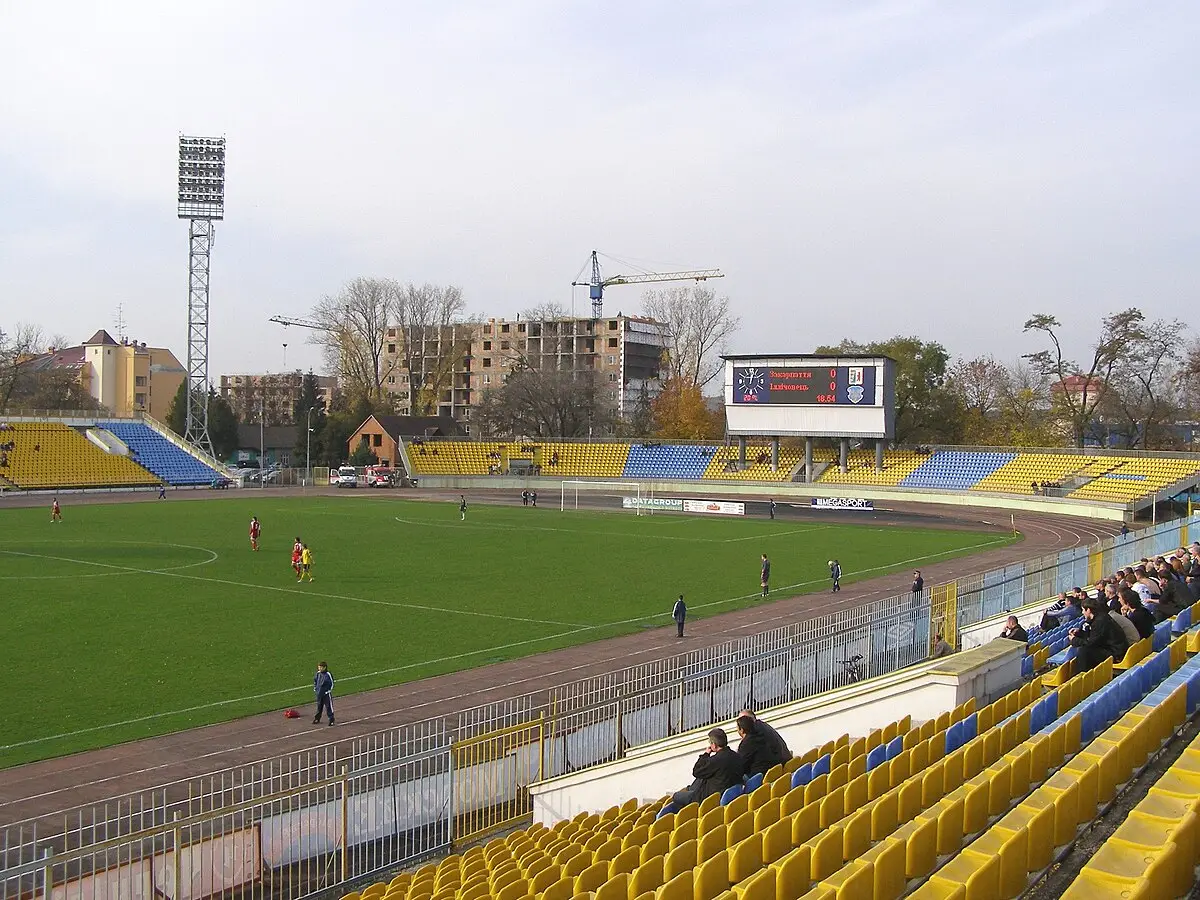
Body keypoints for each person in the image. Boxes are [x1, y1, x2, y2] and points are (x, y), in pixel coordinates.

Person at [669, 728, 743, 808]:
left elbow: (696, 771)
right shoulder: (737, 756)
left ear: (714, 745)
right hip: (729, 793)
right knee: (699, 781)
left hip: (709, 798)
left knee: (676, 796)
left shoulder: (715, 761)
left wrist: (706, 754)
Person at [1068, 599, 1128, 671]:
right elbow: (1093, 635)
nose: (1082, 612)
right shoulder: (1100, 617)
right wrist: (1079, 632)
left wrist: (1074, 640)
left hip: (1116, 654)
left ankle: (1081, 675)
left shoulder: (1100, 622)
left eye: (1083, 610)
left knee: (1084, 650)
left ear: (1089, 610)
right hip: (1113, 649)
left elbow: (1091, 643)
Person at [313, 661, 335, 726]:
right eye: (319, 667)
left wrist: (327, 691)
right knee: (319, 707)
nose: (319, 669)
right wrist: (315, 688)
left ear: (325, 667)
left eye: (321, 667)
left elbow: (331, 683)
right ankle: (317, 718)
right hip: (319, 694)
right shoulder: (318, 673)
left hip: (326, 694)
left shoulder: (328, 674)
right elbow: (315, 681)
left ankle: (331, 720)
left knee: (328, 707)